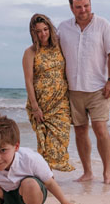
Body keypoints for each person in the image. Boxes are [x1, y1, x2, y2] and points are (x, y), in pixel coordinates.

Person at [57, 0, 110, 184]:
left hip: (98, 89)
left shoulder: (103, 25)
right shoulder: (63, 28)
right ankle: (87, 172)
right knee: (80, 131)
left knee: (100, 129)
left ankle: (107, 173)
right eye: (78, 7)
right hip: (73, 90)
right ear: (71, 7)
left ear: (90, 4)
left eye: (86, 5)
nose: (83, 10)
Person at [22, 13, 74, 172]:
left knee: (61, 139)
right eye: (38, 31)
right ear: (33, 33)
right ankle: (47, 177)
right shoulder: (30, 52)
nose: (43, 34)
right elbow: (28, 81)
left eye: (45, 29)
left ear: (50, 29)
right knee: (45, 142)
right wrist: (35, 107)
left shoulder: (59, 47)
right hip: (42, 104)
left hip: (61, 102)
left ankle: (47, 175)